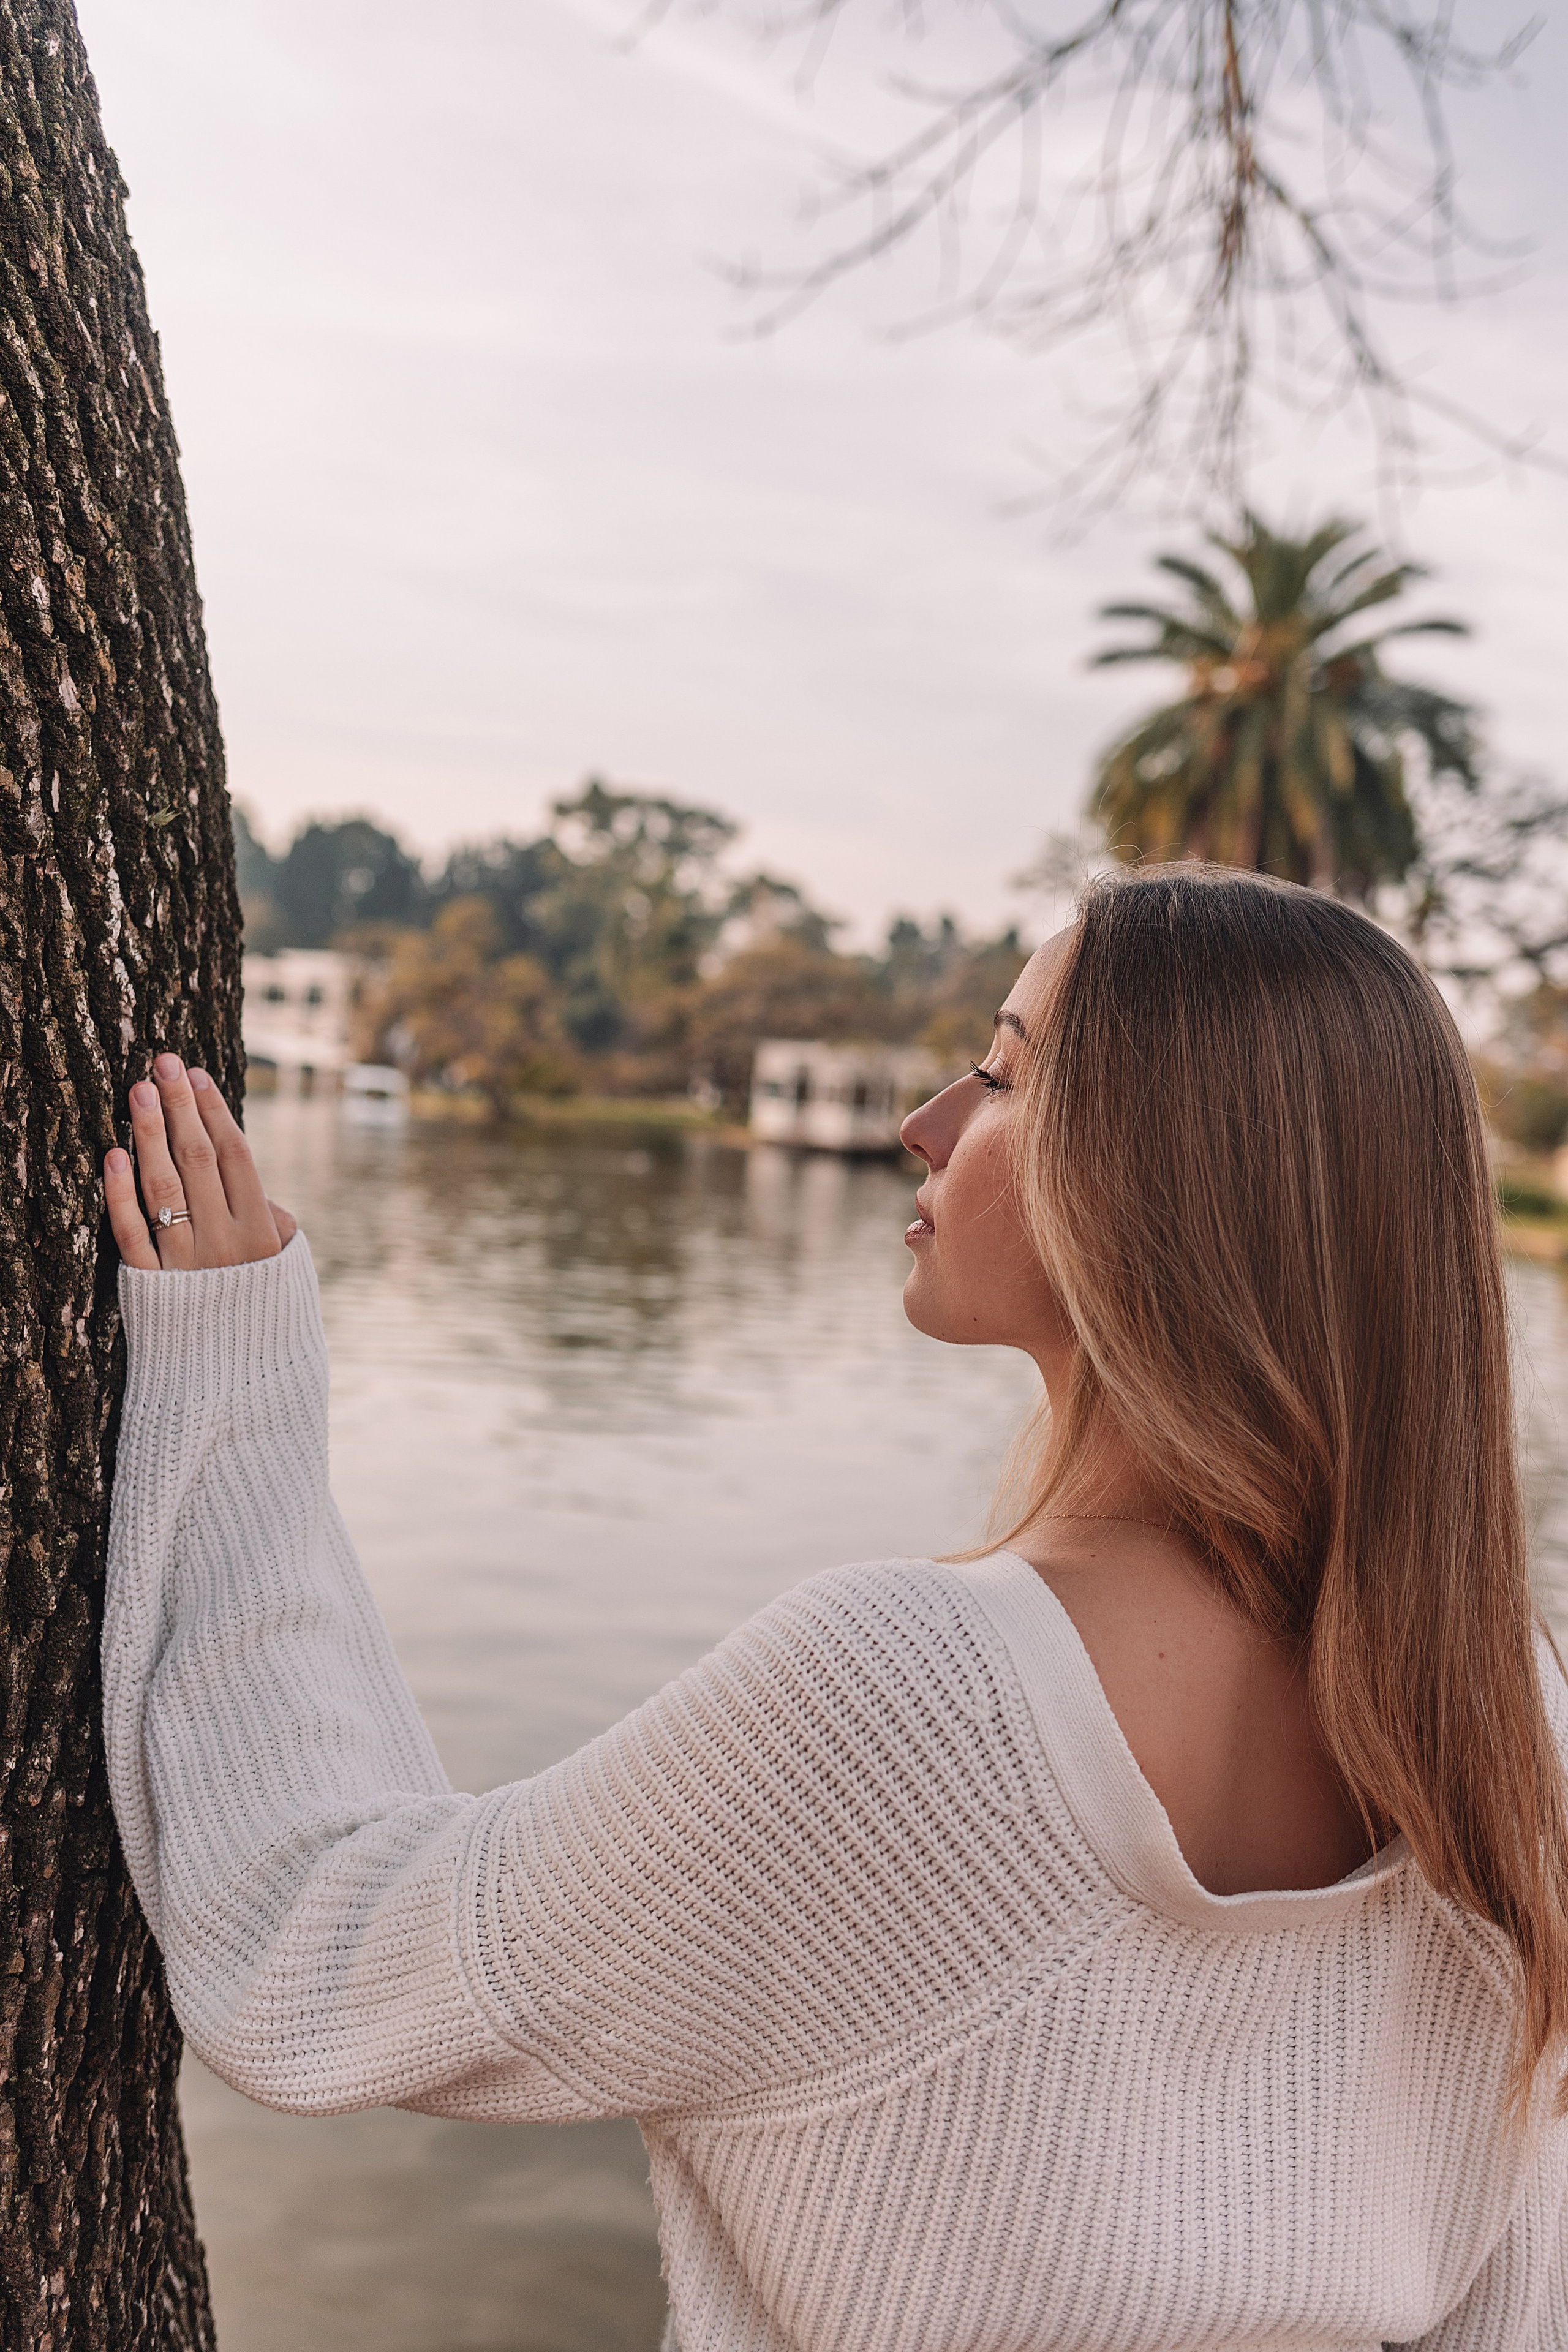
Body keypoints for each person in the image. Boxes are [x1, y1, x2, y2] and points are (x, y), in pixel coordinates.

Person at [102, 865, 1568, 2352]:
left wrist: (236, 1384)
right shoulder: (1504, 1720)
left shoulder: (908, 1696)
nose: (922, 1123)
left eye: (1002, 1076)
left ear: (1161, 1179)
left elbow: (317, 1959)